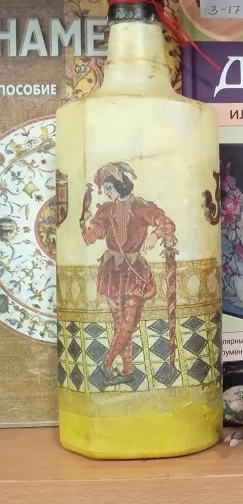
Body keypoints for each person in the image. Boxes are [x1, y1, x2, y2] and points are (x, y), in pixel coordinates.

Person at [80, 162, 177, 387]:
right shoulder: (106, 209)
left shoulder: (140, 206)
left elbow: (167, 224)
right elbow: (94, 234)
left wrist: (155, 235)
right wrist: (86, 228)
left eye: (109, 188)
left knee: (128, 323)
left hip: (134, 272)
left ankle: (106, 362)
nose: (107, 193)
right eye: (105, 189)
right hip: (111, 271)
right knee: (120, 324)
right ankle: (128, 369)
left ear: (120, 184)